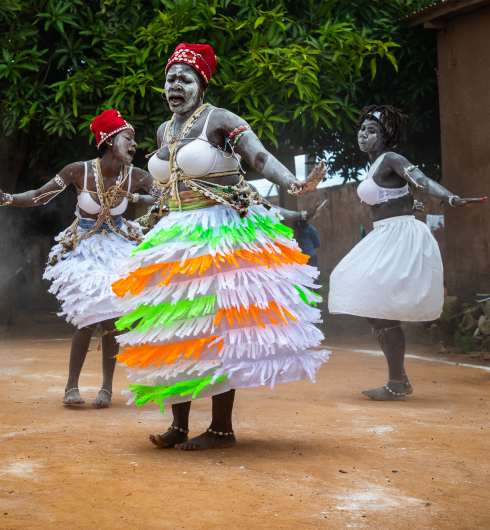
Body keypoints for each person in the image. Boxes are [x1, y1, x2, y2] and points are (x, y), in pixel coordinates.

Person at [112, 43, 329, 450]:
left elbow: (259, 157)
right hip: (175, 237)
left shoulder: (220, 119)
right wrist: (140, 217)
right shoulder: (164, 130)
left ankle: (221, 428)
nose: (175, 84)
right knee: (176, 329)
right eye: (170, 77)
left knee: (216, 329)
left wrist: (293, 184)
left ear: (201, 83)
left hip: (219, 233)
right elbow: (167, 187)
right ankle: (178, 424)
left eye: (185, 78)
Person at [0, 110, 157, 408]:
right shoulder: (79, 171)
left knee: (114, 318)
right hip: (83, 247)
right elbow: (40, 196)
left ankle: (106, 389)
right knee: (89, 316)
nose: (134, 145)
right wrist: (6, 197)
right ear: (108, 140)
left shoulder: (139, 177)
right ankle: (71, 387)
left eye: (135, 140)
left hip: (118, 245)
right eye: (128, 138)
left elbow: (170, 197)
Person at [328, 105, 487, 400]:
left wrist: (450, 198)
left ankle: (397, 382)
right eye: (362, 129)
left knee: (380, 309)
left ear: (386, 135)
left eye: (372, 130)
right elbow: (399, 195)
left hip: (400, 236)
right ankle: (398, 380)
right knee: (365, 300)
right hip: (384, 235)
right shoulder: (374, 164)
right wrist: (409, 202)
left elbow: (422, 181)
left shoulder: (393, 158)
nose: (364, 134)